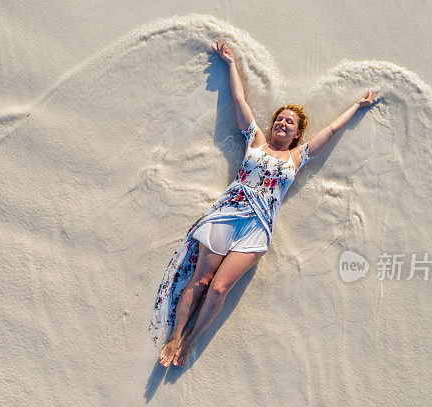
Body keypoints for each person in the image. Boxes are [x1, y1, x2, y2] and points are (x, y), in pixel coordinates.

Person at [149, 40, 380, 368]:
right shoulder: (255, 141)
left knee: (218, 290)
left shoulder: (297, 157)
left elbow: (331, 129)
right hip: (228, 213)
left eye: (290, 124)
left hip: (257, 228)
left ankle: (189, 341)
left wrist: (358, 105)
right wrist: (230, 64)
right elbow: (239, 100)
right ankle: (173, 336)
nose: (283, 124)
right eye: (280, 120)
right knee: (201, 280)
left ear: (297, 134)